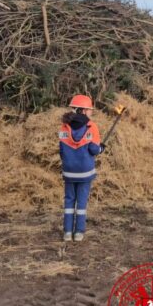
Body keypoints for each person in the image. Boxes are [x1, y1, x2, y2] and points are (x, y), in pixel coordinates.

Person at [59, 95, 105, 242]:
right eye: (90, 110)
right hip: (85, 172)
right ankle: (78, 233)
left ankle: (67, 232)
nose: (91, 112)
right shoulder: (92, 126)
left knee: (69, 202)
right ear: (84, 110)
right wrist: (101, 149)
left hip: (69, 171)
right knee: (82, 202)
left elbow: (62, 150)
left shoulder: (64, 126)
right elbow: (93, 150)